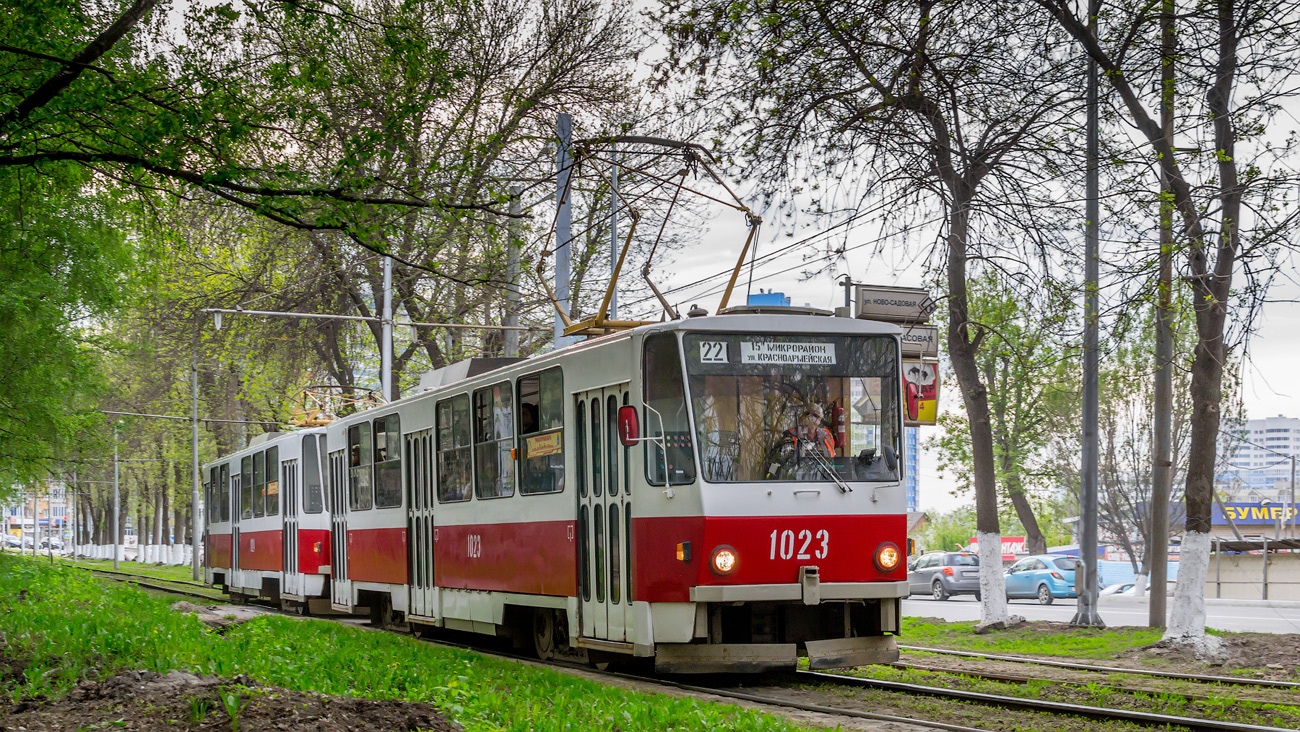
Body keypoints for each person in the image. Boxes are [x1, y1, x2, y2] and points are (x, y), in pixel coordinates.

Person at [766, 404, 835, 478]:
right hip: (796, 482)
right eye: (810, 414)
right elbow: (778, 461)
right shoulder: (791, 435)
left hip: (824, 481)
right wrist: (770, 477)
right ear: (803, 416)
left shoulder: (826, 435)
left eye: (817, 416)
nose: (812, 418)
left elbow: (832, 460)